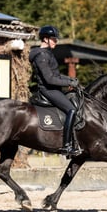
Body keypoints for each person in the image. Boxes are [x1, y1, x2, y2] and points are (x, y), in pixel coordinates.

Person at [29, 25, 80, 157]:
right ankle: (67, 145)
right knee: (71, 109)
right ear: (45, 39)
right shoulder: (41, 56)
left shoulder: (47, 54)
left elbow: (56, 75)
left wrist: (70, 79)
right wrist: (68, 83)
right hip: (48, 89)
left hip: (54, 88)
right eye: (53, 39)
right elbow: (50, 79)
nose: (55, 42)